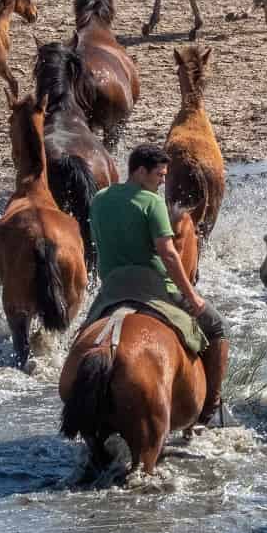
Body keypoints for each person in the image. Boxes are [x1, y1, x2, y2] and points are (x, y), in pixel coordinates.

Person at [87, 142, 228, 424]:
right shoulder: (151, 202)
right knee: (217, 326)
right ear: (140, 171)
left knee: (85, 335)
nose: (163, 182)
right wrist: (193, 296)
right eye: (159, 176)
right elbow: (169, 254)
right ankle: (211, 410)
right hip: (152, 290)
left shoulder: (99, 199)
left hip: (110, 290)